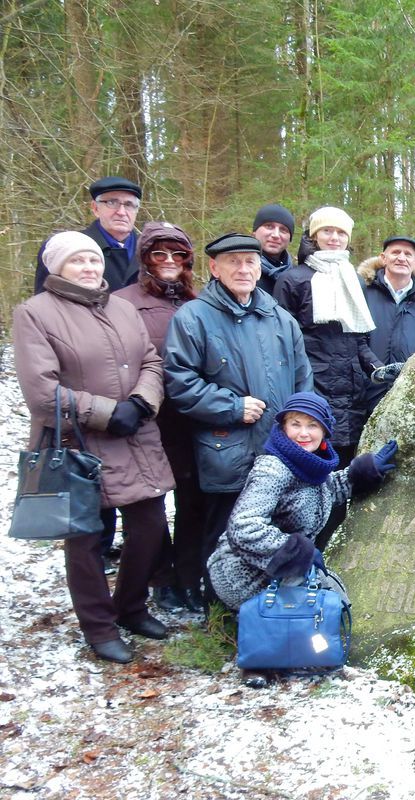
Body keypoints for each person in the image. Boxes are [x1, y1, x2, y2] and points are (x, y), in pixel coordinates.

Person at [14, 231, 175, 663]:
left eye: (93, 260)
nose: (89, 268)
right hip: (76, 442)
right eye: (77, 261)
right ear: (57, 268)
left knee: (150, 526)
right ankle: (99, 626)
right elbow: (41, 393)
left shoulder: (121, 307)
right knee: (85, 539)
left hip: (135, 434)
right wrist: (106, 412)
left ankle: (130, 607)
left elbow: (150, 361)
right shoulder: (36, 313)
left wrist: (142, 401)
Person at [164, 233, 313, 601]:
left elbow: (302, 378)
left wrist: (302, 423)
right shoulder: (193, 317)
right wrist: (231, 406)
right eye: (234, 261)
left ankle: (264, 614)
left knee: (271, 532)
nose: (244, 269)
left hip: (277, 452)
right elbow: (179, 381)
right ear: (214, 267)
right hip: (226, 450)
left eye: (250, 261)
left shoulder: (280, 318)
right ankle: (217, 613)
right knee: (224, 537)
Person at [207, 392, 395, 685]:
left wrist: (359, 474)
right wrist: (294, 550)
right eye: (295, 424)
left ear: (324, 433)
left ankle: (296, 648)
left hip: (280, 565)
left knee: (334, 596)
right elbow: (244, 526)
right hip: (243, 569)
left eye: (313, 425)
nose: (303, 433)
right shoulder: (273, 468)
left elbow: (320, 493)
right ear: (282, 427)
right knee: (314, 600)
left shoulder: (309, 464)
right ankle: (260, 658)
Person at [113, 222, 206, 614]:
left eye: (178, 254)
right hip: (147, 418)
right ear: (145, 258)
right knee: (150, 507)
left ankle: (187, 576)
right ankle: (161, 577)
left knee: (194, 502)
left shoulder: (197, 301)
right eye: (159, 254)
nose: (169, 262)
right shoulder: (121, 302)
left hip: (193, 418)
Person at [274, 207, 382, 464]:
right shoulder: (293, 279)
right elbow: (280, 343)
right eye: (327, 231)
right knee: (310, 467)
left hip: (352, 391)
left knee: (344, 473)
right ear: (314, 236)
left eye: (341, 232)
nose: (334, 237)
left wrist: (377, 368)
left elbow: (359, 338)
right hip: (312, 388)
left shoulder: (353, 279)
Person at [358, 234, 415, 412]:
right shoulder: (362, 294)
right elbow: (354, 340)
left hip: (410, 396)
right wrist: (378, 370)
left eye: (408, 254)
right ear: (383, 258)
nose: (401, 258)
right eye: (395, 252)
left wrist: (412, 376)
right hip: (363, 392)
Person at [35, 176, 143, 294]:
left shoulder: (153, 251)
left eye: (129, 205)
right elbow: (44, 304)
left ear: (136, 210)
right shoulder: (65, 248)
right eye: (112, 203)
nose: (122, 212)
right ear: (95, 208)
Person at [251, 204, 295, 296]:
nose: (276, 235)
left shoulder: (296, 276)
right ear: (254, 232)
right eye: (269, 226)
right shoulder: (238, 270)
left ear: (290, 238)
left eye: (283, 230)